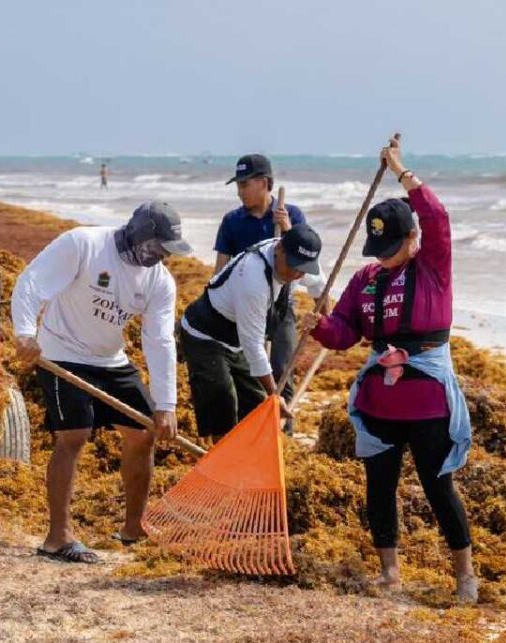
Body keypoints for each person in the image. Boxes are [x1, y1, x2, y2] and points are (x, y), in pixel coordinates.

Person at [304, 135, 477, 603]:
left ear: (412, 238)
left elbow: (438, 216)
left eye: (391, 245)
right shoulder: (364, 280)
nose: (382, 255)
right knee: (378, 486)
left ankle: (464, 576)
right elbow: (344, 332)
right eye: (377, 247)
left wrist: (400, 170)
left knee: (438, 486)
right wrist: (319, 326)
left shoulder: (433, 267)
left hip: (427, 401)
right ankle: (389, 572)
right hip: (380, 401)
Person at [12, 201, 192, 563]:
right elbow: (32, 283)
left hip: (111, 360)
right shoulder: (84, 244)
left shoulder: (159, 281)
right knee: (74, 435)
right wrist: (25, 333)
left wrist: (166, 404)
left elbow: (159, 341)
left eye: (167, 251)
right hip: (61, 352)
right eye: (157, 248)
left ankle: (133, 529)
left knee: (144, 433)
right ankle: (57, 538)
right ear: (139, 236)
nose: (161, 257)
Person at [180, 224, 325, 440]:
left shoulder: (299, 260)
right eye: (294, 266)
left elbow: (319, 285)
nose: (297, 275)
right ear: (279, 249)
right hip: (204, 334)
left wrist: (327, 324)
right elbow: (254, 346)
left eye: (303, 269)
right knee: (222, 401)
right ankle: (222, 456)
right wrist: (275, 395)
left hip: (236, 338)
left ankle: (247, 454)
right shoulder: (252, 277)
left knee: (256, 404)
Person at [214, 154, 307, 416]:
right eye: (238, 185)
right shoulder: (232, 221)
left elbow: (304, 262)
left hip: (281, 304)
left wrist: (287, 229)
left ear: (264, 183)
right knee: (249, 372)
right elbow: (220, 270)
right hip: (245, 305)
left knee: (282, 370)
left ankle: (283, 431)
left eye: (244, 184)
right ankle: (254, 427)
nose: (239, 191)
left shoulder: (291, 214)